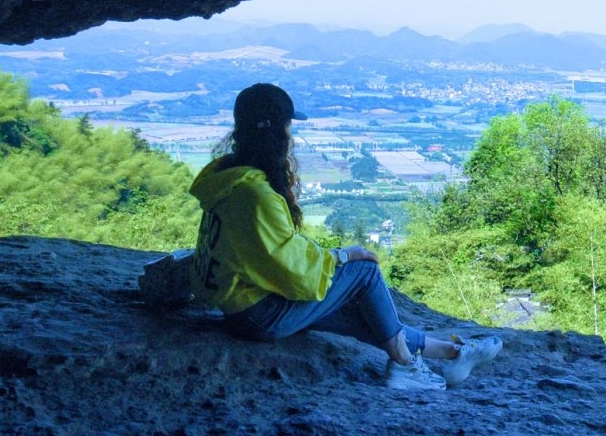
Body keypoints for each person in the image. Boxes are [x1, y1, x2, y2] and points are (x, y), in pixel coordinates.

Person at [189, 82, 501, 391]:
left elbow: (273, 253)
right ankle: (404, 366)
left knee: (365, 312)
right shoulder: (256, 196)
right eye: (288, 127)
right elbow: (292, 267)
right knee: (364, 271)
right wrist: (341, 257)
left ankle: (454, 353)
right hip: (259, 314)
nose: (291, 136)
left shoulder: (228, 179)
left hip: (243, 307)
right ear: (277, 133)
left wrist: (331, 261)